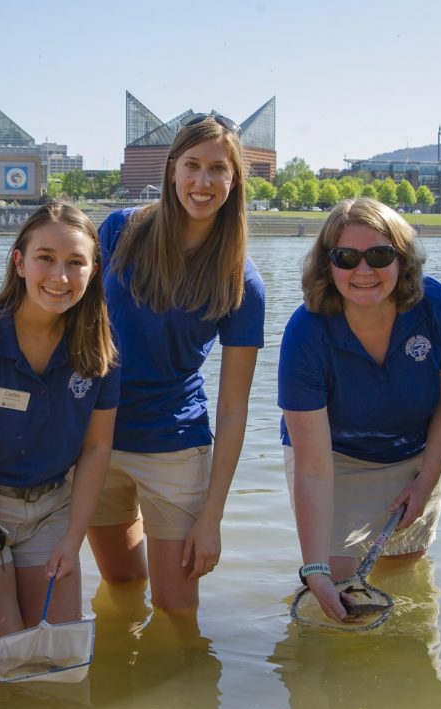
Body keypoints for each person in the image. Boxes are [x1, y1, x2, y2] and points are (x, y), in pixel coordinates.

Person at [87, 113, 266, 611]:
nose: (202, 182)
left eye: (217, 169)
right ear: (171, 169)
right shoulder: (121, 230)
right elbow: (72, 326)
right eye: (191, 165)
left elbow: (233, 409)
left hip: (173, 446)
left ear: (234, 180)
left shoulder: (241, 282)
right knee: (120, 587)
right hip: (98, 437)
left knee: (176, 610)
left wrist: (212, 516)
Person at [0, 202, 119, 636]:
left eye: (75, 263)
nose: (60, 277)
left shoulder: (99, 346)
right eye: (45, 259)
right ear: (19, 262)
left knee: (56, 656)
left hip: (51, 507)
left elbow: (96, 448)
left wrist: (73, 538)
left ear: (93, 271)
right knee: (4, 652)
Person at [278, 197, 441, 621]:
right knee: (335, 590)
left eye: (380, 255)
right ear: (328, 265)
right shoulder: (306, 333)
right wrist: (314, 569)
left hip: (417, 457)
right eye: (346, 257)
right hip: (334, 461)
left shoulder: (437, 307)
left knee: (406, 570)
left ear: (403, 259)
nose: (363, 271)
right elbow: (312, 466)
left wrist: (425, 480)